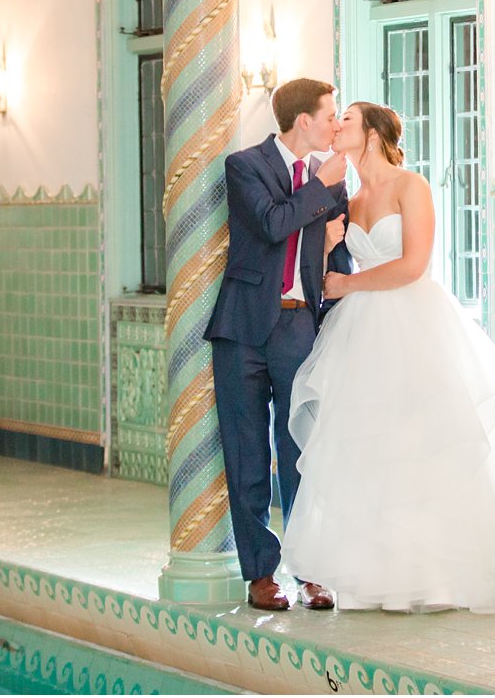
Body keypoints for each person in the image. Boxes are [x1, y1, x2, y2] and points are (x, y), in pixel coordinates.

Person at [280, 102, 495, 614]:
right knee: (372, 451)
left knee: (422, 444)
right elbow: (321, 269)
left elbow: (413, 265)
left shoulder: (412, 187)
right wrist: (326, 249)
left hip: (414, 322)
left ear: (370, 133)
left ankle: (438, 574)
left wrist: (348, 283)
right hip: (359, 333)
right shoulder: (347, 196)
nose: (336, 125)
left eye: (346, 119)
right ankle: (379, 575)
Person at [204, 78, 352, 612]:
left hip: (298, 327)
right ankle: (261, 573)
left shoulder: (332, 180)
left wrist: (338, 320)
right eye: (330, 115)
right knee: (248, 452)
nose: (337, 124)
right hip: (242, 327)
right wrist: (320, 188)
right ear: (303, 121)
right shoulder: (245, 166)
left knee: (301, 453)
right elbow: (271, 225)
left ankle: (310, 571)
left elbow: (336, 257)